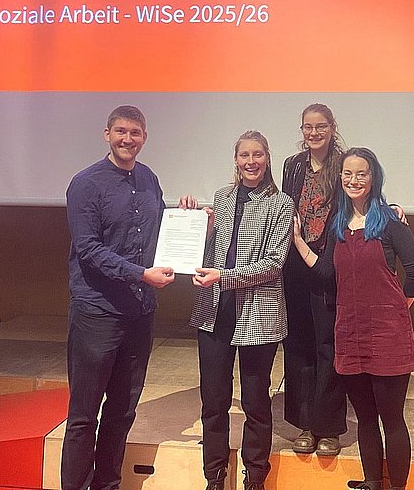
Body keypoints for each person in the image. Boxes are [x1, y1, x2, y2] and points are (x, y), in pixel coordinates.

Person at [291, 147, 414, 490]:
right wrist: (298, 241)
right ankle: (372, 482)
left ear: (373, 177)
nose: (353, 180)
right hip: (349, 334)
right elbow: (324, 273)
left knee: (391, 419)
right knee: (365, 418)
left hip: (388, 335)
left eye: (361, 173)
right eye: (347, 174)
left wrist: (397, 307)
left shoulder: (390, 222)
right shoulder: (337, 226)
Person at [61, 106, 176, 490]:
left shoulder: (148, 179)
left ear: (145, 137)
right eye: (121, 132)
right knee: (83, 415)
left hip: (140, 312)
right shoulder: (86, 183)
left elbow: (158, 233)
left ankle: (107, 485)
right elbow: (89, 249)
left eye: (136, 133)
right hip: (97, 311)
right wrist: (140, 274)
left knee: (122, 411)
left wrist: (192, 219)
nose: (128, 139)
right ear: (106, 133)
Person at [186, 130, 295, 490]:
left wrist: (224, 276)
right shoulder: (221, 197)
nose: (251, 162)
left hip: (258, 317)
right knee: (213, 401)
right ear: (236, 160)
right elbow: (211, 254)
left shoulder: (281, 204)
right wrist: (193, 224)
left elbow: (273, 264)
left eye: (258, 155)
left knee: (255, 403)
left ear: (267, 158)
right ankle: (214, 476)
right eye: (244, 155)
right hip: (214, 313)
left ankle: (255, 477)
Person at [279, 103, 348, 456]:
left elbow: (362, 192)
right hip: (294, 265)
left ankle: (330, 427)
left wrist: (391, 206)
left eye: (321, 127)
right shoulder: (292, 165)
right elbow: (278, 205)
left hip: (329, 260)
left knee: (329, 346)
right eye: (308, 127)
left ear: (332, 128)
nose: (314, 133)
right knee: (299, 344)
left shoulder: (343, 163)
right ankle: (305, 422)